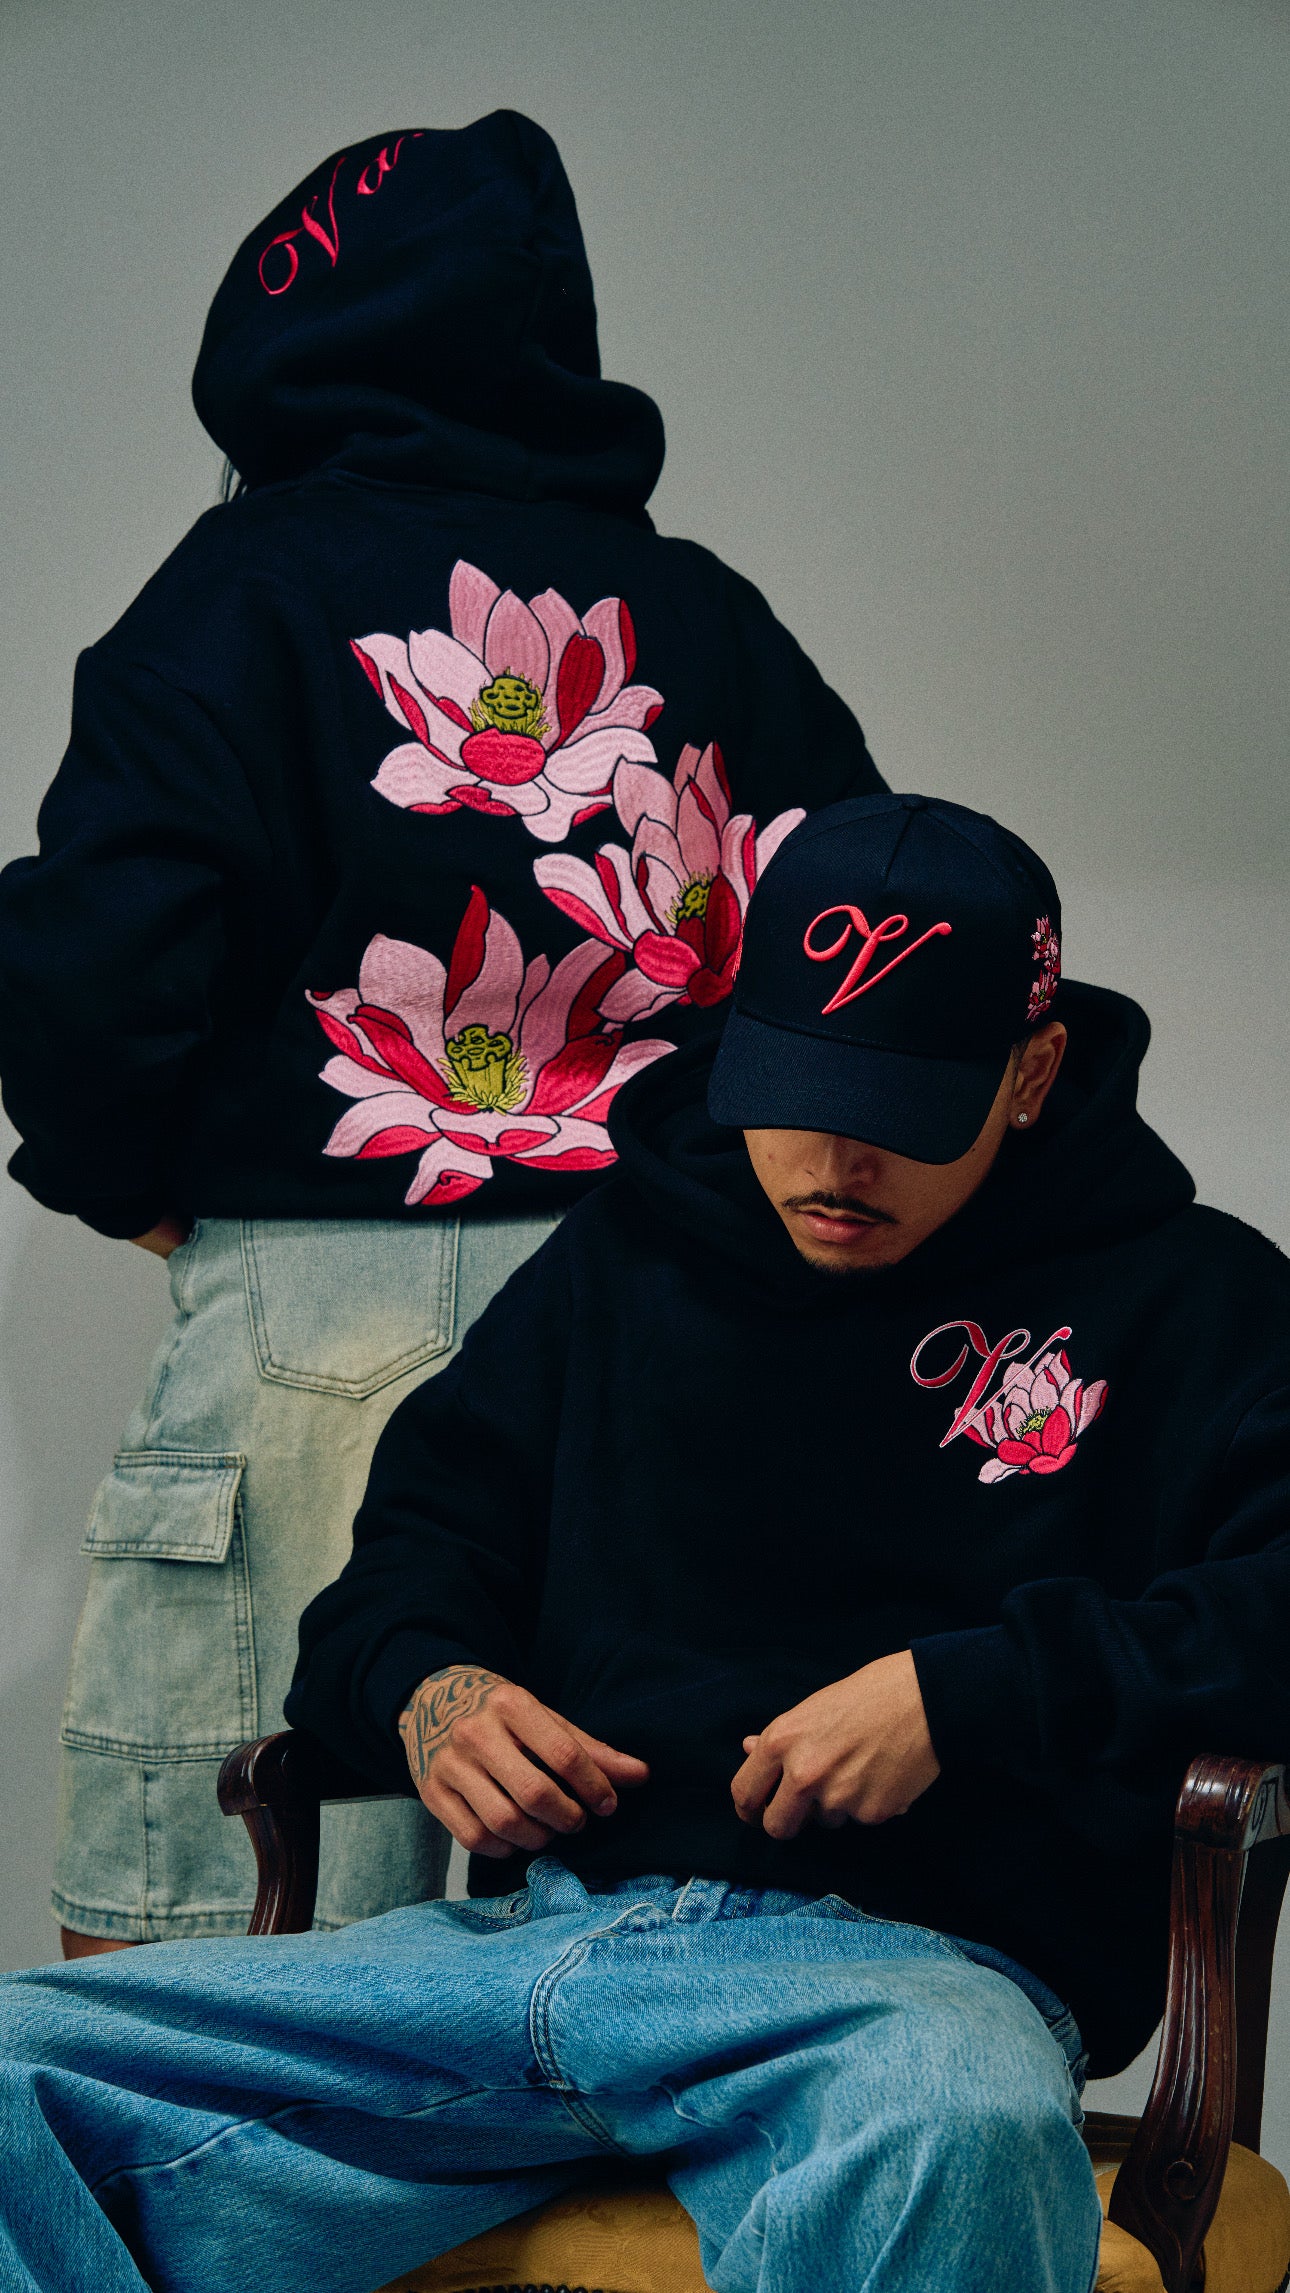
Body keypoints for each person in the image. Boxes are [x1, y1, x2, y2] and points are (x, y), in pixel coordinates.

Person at [4, 790, 1288, 2293]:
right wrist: (432, 1690)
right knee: (18, 2067)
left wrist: (969, 1694)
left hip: (901, 1992)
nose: (836, 1158)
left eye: (899, 1111)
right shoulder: (626, 1258)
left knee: (950, 2123)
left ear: (1031, 1072)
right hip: (535, 1954)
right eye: (798, 1088)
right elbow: (401, 1567)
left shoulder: (1202, 1304)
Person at [0, 112, 880, 1957]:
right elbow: (860, 942)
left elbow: (96, 950)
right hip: (669, 1313)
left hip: (320, 1320)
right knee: (632, 1949)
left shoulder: (236, 593)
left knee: (213, 1967)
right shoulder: (705, 616)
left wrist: (130, 1178)